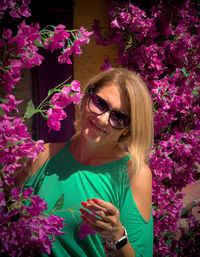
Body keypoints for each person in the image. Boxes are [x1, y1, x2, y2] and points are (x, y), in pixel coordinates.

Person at [22, 68, 154, 257]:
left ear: (127, 129)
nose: (102, 119)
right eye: (100, 103)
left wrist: (117, 236)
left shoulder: (134, 173)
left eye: (118, 117)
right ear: (85, 99)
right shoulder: (44, 155)